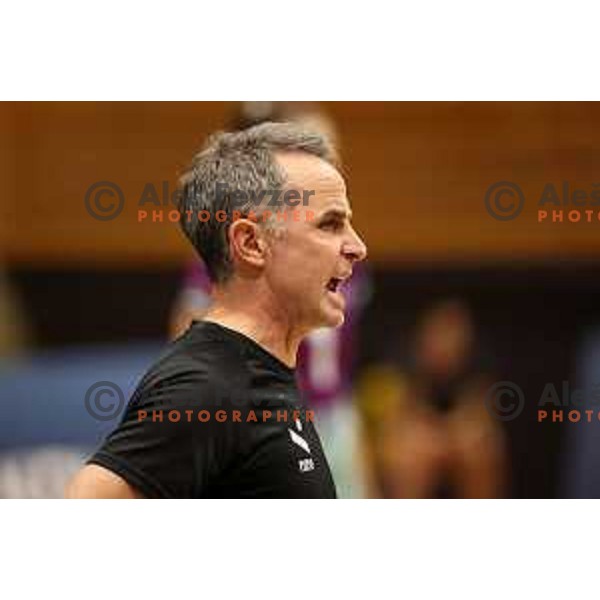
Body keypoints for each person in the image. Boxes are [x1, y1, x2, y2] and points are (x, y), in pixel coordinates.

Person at [66, 122, 367, 498]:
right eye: (331, 224)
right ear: (251, 243)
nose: (358, 247)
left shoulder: (258, 369)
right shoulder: (207, 386)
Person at [169, 102, 372, 498]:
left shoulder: (345, 252)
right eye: (316, 148)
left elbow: (344, 357)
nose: (331, 159)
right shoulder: (242, 253)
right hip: (268, 418)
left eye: (332, 147)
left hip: (333, 417)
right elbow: (188, 334)